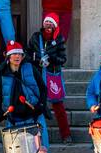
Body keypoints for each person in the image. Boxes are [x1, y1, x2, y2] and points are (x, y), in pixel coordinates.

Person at [0, 40, 62, 153]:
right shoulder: (2, 72)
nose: (17, 57)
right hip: (13, 121)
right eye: (13, 54)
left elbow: (43, 89)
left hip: (34, 119)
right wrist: (0, 111)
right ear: (7, 56)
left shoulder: (30, 69)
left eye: (19, 54)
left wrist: (40, 106)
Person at [27, 13, 72, 143]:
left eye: (51, 23)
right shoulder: (36, 37)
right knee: (36, 104)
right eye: (47, 22)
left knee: (58, 105)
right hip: (38, 74)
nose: (48, 25)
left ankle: (66, 134)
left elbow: (63, 59)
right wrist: (37, 59)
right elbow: (27, 54)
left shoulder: (59, 39)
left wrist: (51, 59)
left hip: (53, 76)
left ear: (55, 26)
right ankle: (34, 135)